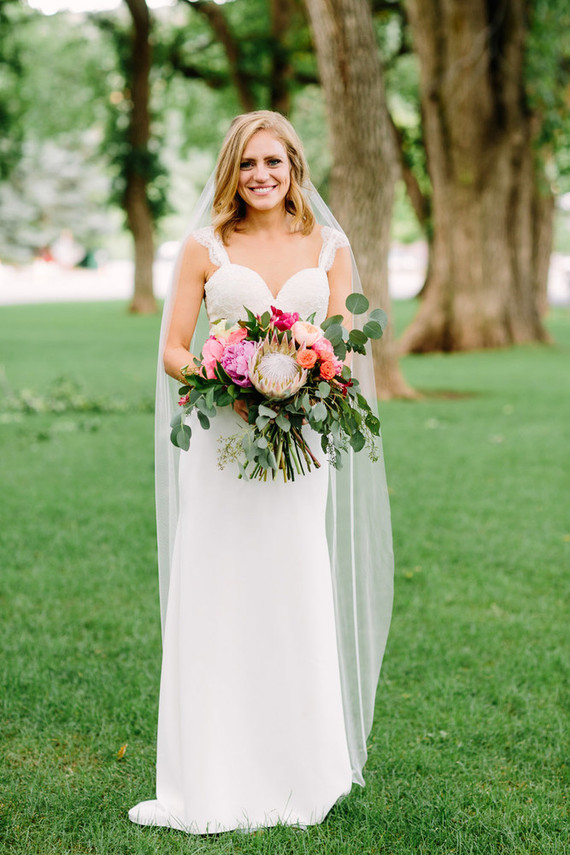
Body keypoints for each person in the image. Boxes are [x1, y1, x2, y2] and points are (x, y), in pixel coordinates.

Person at [129, 111, 393, 835]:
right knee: (219, 590)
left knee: (291, 586)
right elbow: (173, 349)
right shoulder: (205, 246)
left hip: (301, 446)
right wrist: (227, 379)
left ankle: (298, 768)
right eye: (248, 163)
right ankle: (213, 773)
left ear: (294, 167)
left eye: (273, 161)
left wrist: (311, 376)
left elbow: (342, 342)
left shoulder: (329, 246)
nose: (261, 175)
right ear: (232, 172)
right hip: (222, 444)